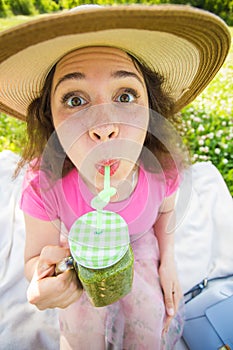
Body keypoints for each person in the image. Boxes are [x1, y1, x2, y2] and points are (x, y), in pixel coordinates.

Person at [0, 4, 230, 349]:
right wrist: (43, 279)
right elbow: (35, 259)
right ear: (50, 119)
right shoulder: (44, 184)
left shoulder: (160, 171)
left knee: (148, 321)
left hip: (140, 247)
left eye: (125, 95)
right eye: (75, 100)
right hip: (81, 260)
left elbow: (166, 212)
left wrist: (167, 262)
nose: (104, 128)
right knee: (81, 332)